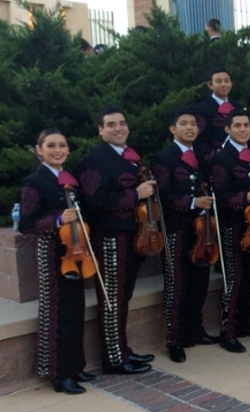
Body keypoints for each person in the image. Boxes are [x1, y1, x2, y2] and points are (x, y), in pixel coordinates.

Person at [76, 107, 155, 374]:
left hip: (133, 235)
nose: (118, 128)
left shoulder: (130, 157)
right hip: (109, 235)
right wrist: (135, 194)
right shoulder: (95, 160)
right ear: (101, 130)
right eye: (111, 125)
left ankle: (122, 349)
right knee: (112, 298)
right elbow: (94, 201)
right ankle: (114, 359)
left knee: (124, 295)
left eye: (122, 123)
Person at [19, 129, 96, 394]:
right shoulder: (35, 181)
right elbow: (26, 224)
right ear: (39, 150)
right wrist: (57, 220)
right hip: (51, 253)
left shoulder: (69, 180)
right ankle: (59, 373)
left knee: (75, 311)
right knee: (57, 313)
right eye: (50, 146)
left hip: (75, 252)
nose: (57, 150)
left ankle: (75, 366)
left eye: (62, 145)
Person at [149, 108, 219, 363]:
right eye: (184, 123)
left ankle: (194, 330)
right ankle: (174, 339)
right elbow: (162, 196)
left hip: (203, 230)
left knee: (199, 281)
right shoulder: (162, 158)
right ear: (172, 129)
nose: (190, 127)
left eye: (193, 124)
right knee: (177, 285)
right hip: (176, 229)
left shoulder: (200, 157)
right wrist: (193, 202)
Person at [211, 109, 250, 353]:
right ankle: (227, 332)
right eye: (237, 126)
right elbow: (219, 195)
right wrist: (244, 196)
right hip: (232, 225)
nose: (242, 129)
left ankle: (248, 323)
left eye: (246, 125)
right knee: (234, 279)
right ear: (228, 129)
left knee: (249, 277)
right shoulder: (222, 157)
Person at [193, 68, 243, 167]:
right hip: (214, 162)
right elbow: (200, 142)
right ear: (210, 85)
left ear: (231, 84)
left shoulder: (238, 107)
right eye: (219, 81)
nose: (223, 84)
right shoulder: (201, 109)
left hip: (239, 160)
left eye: (226, 81)